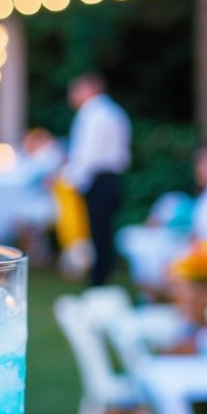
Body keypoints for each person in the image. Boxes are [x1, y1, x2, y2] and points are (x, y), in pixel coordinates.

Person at [64, 72, 132, 286]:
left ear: (89, 89)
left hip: (98, 178)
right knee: (104, 230)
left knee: (97, 231)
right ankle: (104, 274)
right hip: (113, 178)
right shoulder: (115, 111)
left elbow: (87, 153)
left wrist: (71, 179)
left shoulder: (92, 114)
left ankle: (98, 279)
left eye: (76, 90)